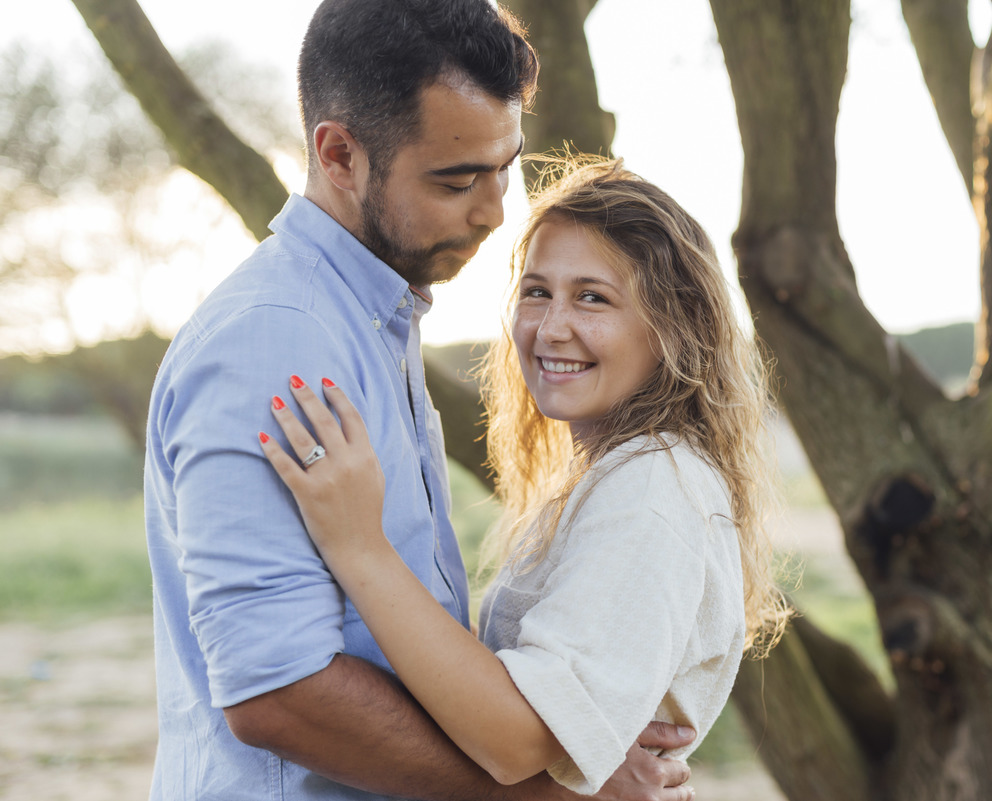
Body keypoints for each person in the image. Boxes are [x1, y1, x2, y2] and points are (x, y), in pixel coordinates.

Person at [144, 2, 694, 799]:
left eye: (505, 167)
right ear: (339, 154)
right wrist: (551, 792)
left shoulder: (373, 320)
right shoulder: (276, 342)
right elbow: (278, 694)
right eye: (457, 179)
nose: (495, 210)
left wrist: (576, 726)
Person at [258, 157, 790, 794]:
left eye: (592, 297)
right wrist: (582, 762)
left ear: (672, 327)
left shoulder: (653, 483)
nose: (550, 327)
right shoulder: (612, 472)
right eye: (537, 291)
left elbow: (516, 741)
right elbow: (541, 726)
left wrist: (357, 546)